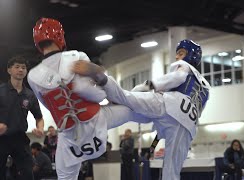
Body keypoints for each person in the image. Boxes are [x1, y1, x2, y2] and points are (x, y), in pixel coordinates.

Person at [28, 18, 150, 180]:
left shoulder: (33, 76)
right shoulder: (77, 56)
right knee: (132, 109)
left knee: (65, 177)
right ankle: (162, 112)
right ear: (59, 36)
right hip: (95, 121)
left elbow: (49, 106)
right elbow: (97, 94)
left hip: (69, 137)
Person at [72, 39, 211, 180]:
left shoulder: (185, 67)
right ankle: (101, 112)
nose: (177, 57)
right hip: (186, 126)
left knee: (128, 101)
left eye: (181, 53)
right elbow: (161, 134)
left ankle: (101, 82)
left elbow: (177, 77)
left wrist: (150, 85)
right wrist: (150, 150)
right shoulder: (206, 87)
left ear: (191, 56)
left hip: (167, 104)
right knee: (171, 172)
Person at [0, 55, 45, 180]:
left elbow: (39, 118)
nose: (21, 70)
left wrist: (40, 128)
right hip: (1, 139)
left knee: (27, 173)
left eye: (23, 68)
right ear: (9, 70)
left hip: (20, 139)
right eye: (17, 67)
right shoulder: (1, 91)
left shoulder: (29, 95)